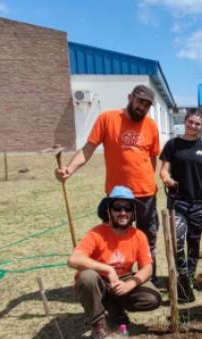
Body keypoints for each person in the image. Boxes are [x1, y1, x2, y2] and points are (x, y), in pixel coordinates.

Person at [55, 85, 161, 282]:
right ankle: (112, 277)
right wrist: (69, 170)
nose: (142, 107)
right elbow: (88, 149)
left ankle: (147, 279)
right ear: (130, 98)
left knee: (148, 238)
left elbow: (152, 158)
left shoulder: (151, 125)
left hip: (146, 194)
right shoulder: (107, 119)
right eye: (139, 102)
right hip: (118, 196)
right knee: (115, 237)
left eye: (147, 105)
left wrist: (148, 181)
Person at [68, 185, 162, 339]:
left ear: (133, 212)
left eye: (127, 208)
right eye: (118, 208)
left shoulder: (138, 236)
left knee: (152, 298)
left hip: (123, 279)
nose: (123, 212)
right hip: (99, 281)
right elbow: (74, 259)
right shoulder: (97, 233)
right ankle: (98, 326)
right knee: (87, 277)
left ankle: (115, 308)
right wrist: (108, 270)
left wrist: (130, 284)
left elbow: (147, 268)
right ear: (109, 211)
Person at [159, 108, 202, 303]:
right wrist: (167, 179)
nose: (193, 126)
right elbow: (164, 170)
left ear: (201, 126)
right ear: (185, 121)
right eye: (191, 122)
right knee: (178, 240)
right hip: (178, 200)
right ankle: (179, 276)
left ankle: (188, 279)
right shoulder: (173, 145)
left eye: (197, 124)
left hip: (200, 200)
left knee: (194, 240)